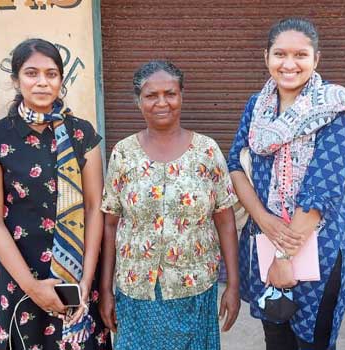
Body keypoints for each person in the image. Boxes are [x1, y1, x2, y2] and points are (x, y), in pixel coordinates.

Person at [228, 18, 345, 350]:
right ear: (266, 56)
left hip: (321, 243)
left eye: (301, 55)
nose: (289, 64)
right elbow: (235, 165)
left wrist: (283, 257)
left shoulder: (336, 108)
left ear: (316, 59)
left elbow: (321, 190)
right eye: (280, 54)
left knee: (313, 339)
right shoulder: (257, 107)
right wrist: (265, 222)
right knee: (276, 333)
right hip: (265, 239)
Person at [0, 38, 111, 350]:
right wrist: (32, 286)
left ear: (61, 79)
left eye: (51, 74)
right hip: (20, 275)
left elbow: (93, 207)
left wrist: (86, 281)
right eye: (32, 73)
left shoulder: (81, 134)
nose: (42, 82)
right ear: (16, 80)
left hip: (77, 274)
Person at [99, 60, 240, 349]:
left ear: (181, 96)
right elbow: (110, 224)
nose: (162, 102)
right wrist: (105, 290)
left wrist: (234, 286)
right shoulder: (123, 153)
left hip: (195, 289)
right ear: (138, 101)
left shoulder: (207, 151)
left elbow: (225, 221)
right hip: (136, 291)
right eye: (151, 95)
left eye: (170, 93)